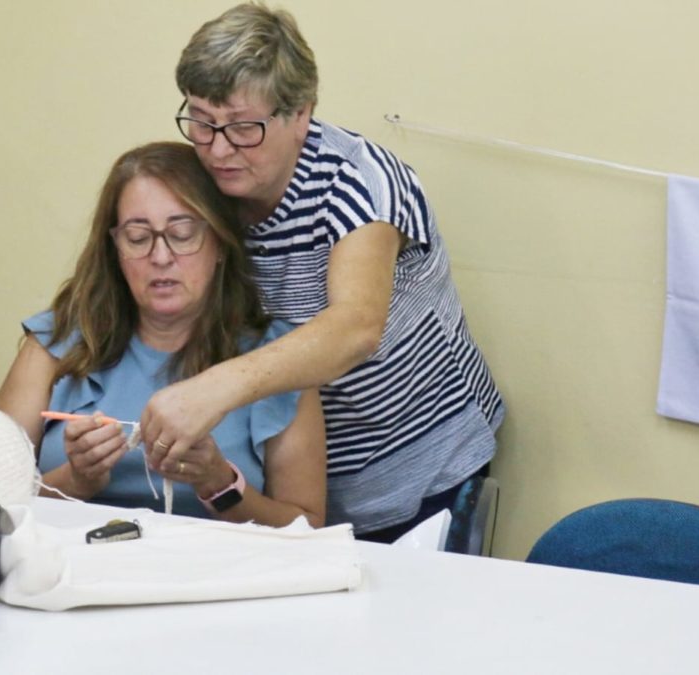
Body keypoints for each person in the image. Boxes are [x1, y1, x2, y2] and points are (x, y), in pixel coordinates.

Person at [140, 3, 504, 542]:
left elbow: (355, 328)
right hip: (290, 485)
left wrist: (209, 392)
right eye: (201, 120)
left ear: (300, 114)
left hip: (425, 466)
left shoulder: (360, 181)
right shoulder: (201, 181)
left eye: (243, 128)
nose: (217, 149)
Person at [0, 141, 326, 528]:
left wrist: (219, 484)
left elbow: (309, 529)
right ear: (115, 249)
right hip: (72, 577)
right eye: (137, 237)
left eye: (182, 234)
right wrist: (76, 481)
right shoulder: (54, 343)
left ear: (220, 243)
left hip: (220, 581)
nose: (161, 257)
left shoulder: (278, 358)